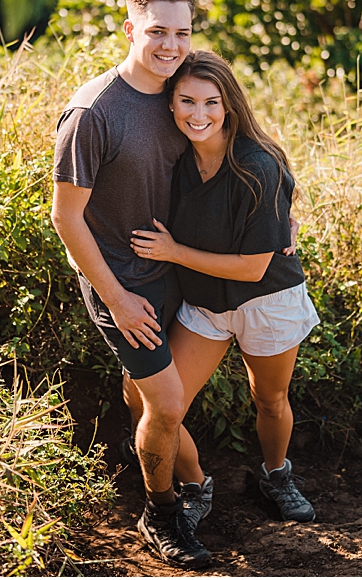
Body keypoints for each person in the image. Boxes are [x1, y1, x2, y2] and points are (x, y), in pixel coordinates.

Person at [51, 0, 212, 568]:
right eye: (157, 32)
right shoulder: (94, 112)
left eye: (182, 33)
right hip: (120, 282)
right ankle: (162, 511)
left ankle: (151, 454)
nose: (171, 46)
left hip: (173, 269)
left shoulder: (186, 93)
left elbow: (243, 148)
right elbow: (66, 218)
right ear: (130, 31)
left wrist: (283, 215)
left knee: (146, 393)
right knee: (168, 404)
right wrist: (116, 297)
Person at [128, 50, 320, 527]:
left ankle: (276, 475)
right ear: (169, 104)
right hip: (205, 305)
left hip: (267, 302)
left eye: (211, 102)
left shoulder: (257, 165)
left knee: (269, 399)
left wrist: (172, 252)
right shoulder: (172, 158)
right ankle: (196, 483)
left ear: (229, 104)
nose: (199, 115)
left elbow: (254, 269)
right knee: (147, 398)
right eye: (186, 101)